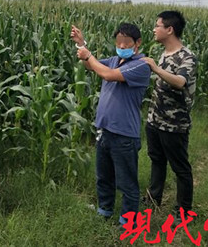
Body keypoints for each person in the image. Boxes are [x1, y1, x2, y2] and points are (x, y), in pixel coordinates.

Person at [71, 23, 151, 226]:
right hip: (104, 130)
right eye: (119, 41)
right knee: (104, 177)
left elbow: (108, 75)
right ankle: (104, 211)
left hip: (124, 134)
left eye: (127, 42)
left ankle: (128, 223)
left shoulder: (141, 65)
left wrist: (88, 55)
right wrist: (81, 44)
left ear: (138, 43)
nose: (121, 45)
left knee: (127, 182)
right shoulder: (114, 60)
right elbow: (92, 66)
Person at [140, 11, 197, 220]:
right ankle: (153, 199)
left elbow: (180, 82)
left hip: (174, 124)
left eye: (158, 25)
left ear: (170, 29)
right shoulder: (163, 53)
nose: (154, 29)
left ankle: (184, 211)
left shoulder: (187, 57)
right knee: (157, 160)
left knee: (180, 168)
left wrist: (155, 68)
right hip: (155, 120)